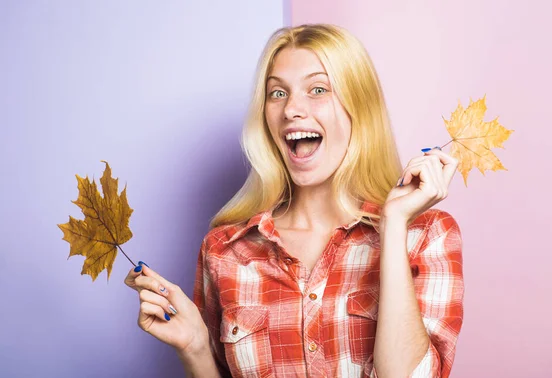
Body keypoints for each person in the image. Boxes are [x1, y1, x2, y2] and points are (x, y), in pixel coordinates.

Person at [125, 23, 464, 378]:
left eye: (317, 89)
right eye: (277, 93)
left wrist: (393, 225)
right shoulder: (224, 251)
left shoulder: (428, 236)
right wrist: (195, 348)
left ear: (359, 107)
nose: (291, 110)